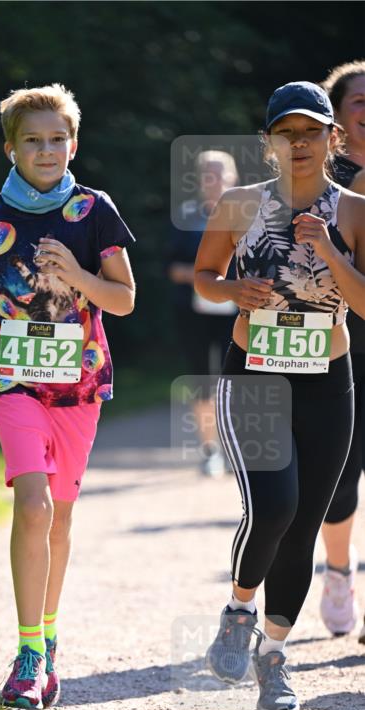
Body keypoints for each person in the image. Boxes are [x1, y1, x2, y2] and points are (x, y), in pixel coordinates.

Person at [0, 84, 135, 710]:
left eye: (58, 139)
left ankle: (48, 636)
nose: (47, 149)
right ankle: (29, 655)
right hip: (11, 377)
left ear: (73, 143)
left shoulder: (94, 210)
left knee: (61, 513)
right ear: (10, 147)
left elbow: (124, 299)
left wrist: (77, 275)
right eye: (33, 139)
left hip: (78, 381)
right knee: (33, 506)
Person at [195, 81, 365, 710]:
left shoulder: (354, 211)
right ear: (268, 142)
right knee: (273, 506)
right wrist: (231, 292)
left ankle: (274, 658)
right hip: (256, 373)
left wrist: (326, 248)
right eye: (286, 133)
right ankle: (239, 609)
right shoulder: (240, 203)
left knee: (304, 526)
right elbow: (207, 276)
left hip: (329, 380)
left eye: (311, 131)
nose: (299, 144)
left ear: (332, 138)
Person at [318, 61, 365, 642]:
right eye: (359, 101)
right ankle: (336, 571)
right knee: (341, 471)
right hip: (339, 338)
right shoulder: (319, 181)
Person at [168, 151, 239, 477]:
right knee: (202, 380)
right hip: (193, 314)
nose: (214, 181)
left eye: (220, 174)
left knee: (234, 382)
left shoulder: (247, 216)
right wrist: (200, 277)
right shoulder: (186, 217)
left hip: (236, 313)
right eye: (208, 175)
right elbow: (170, 267)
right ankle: (210, 451)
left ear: (233, 178)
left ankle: (235, 450)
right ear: (199, 181)